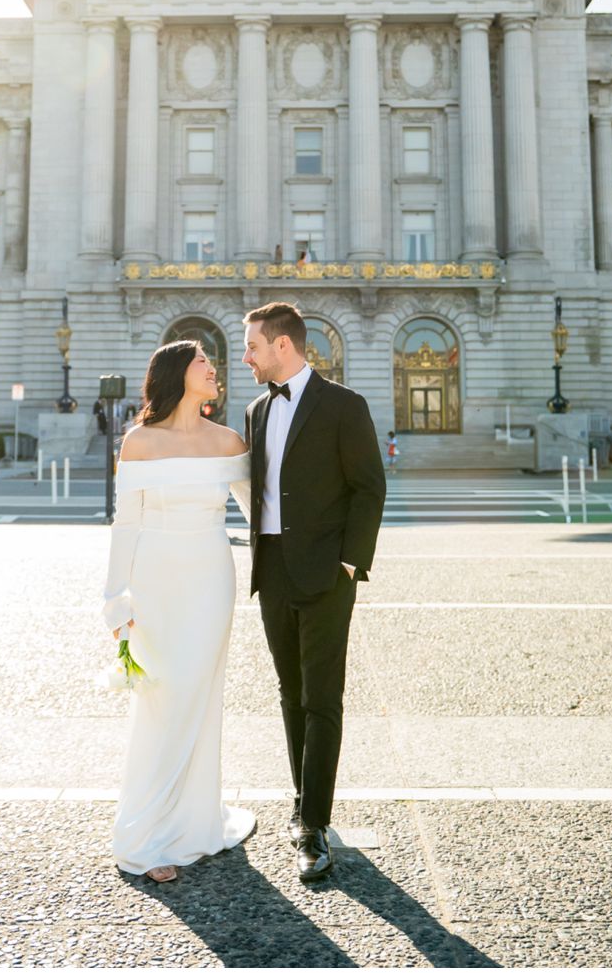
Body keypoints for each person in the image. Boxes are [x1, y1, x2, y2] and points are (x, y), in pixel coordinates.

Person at [240, 300, 387, 884]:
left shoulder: (344, 405)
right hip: (272, 569)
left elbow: (368, 488)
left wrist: (350, 562)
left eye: (252, 345)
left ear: (282, 345)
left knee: (322, 697)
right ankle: (304, 799)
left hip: (327, 572)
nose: (245, 356)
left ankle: (314, 825)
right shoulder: (255, 409)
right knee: (288, 690)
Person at [101, 339, 255, 883]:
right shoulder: (139, 442)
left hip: (211, 576)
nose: (215, 371)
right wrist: (115, 598)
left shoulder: (229, 440)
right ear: (175, 374)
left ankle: (192, 821)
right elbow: (126, 523)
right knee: (163, 695)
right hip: (155, 579)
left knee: (198, 691)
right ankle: (145, 833)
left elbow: (262, 514)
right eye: (203, 363)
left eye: (213, 364)